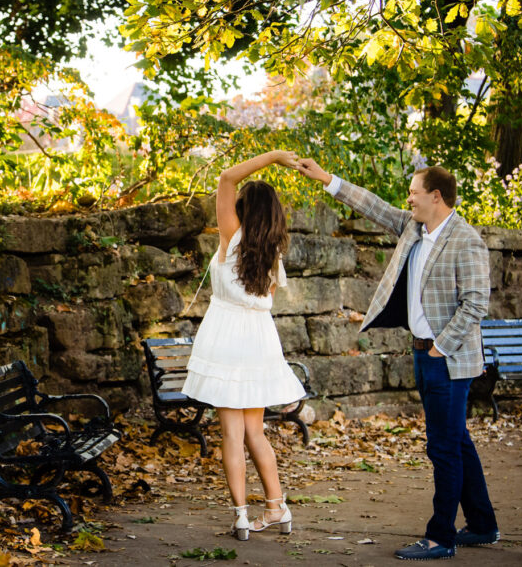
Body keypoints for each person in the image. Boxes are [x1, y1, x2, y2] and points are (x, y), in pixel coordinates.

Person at [295, 159, 499, 561]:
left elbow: (476, 304)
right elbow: (374, 206)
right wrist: (327, 179)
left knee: (443, 447)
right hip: (423, 353)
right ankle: (482, 524)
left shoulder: (465, 240)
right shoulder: (414, 228)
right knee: (456, 440)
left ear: (435, 196)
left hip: (448, 360)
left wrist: (441, 347)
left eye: (414, 193)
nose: (408, 200)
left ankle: (440, 537)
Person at [181, 149, 308, 541]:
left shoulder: (231, 237)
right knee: (256, 433)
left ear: (243, 210)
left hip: (226, 339)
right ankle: (276, 506)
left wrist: (273, 157)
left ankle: (240, 515)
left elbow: (225, 178)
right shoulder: (272, 253)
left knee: (232, 435)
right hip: (259, 341)